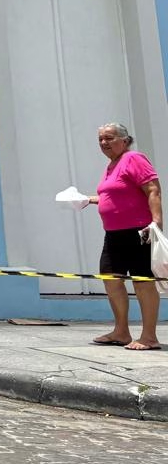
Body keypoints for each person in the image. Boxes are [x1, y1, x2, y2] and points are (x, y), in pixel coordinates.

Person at [81, 122, 162, 351]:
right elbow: (117, 196)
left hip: (138, 232)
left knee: (142, 282)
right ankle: (121, 331)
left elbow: (153, 189)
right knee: (111, 279)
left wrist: (156, 222)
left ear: (125, 140)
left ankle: (149, 337)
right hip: (113, 235)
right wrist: (88, 199)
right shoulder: (112, 165)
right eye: (100, 139)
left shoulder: (133, 158)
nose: (103, 143)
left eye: (109, 138)